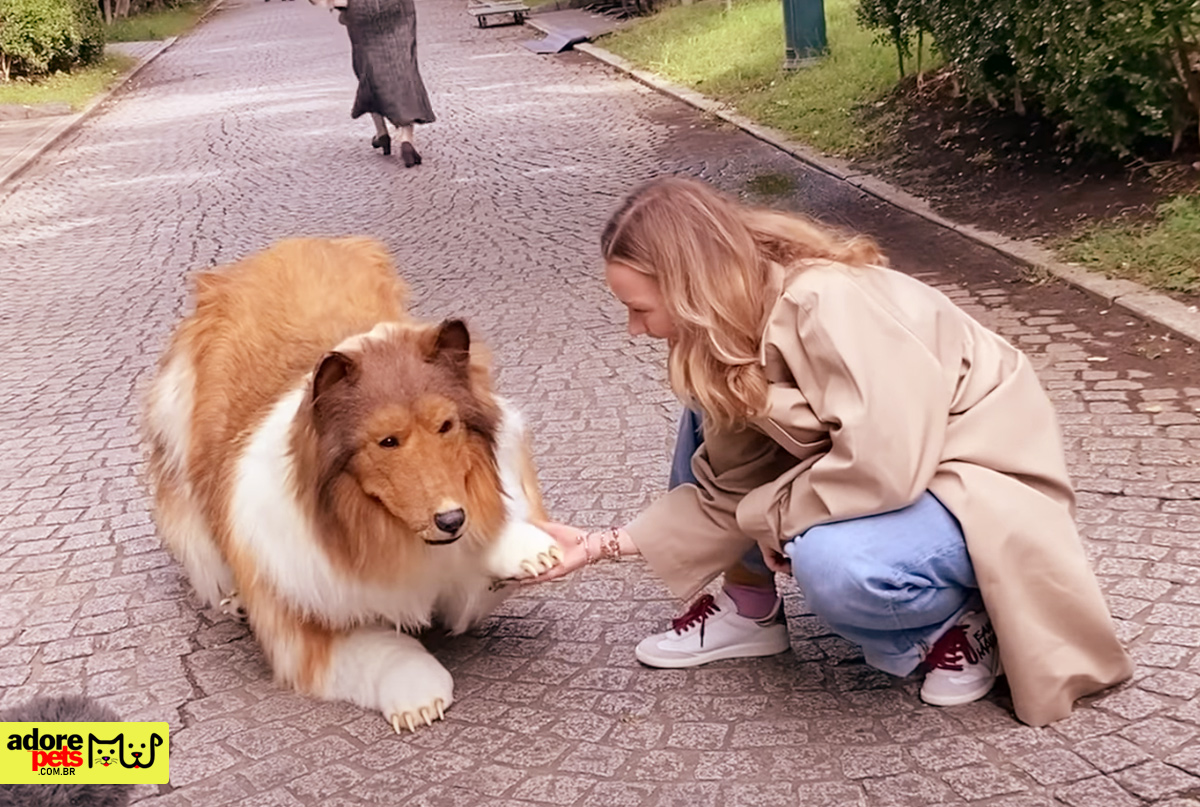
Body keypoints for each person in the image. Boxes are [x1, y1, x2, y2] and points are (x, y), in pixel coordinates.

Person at [533, 176, 1132, 727]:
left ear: (691, 289)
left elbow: (884, 466)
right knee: (707, 404)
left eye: (640, 309)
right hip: (900, 471)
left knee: (836, 565)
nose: (634, 329)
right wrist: (593, 546)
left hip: (975, 478)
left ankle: (961, 621)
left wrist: (776, 516)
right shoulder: (726, 330)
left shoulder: (827, 302)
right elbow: (728, 487)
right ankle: (749, 607)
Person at [322, 0, 435, 166]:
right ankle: (406, 139)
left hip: (359, 9)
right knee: (403, 65)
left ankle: (382, 132)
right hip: (397, 6)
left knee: (370, 67)